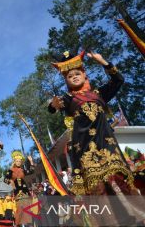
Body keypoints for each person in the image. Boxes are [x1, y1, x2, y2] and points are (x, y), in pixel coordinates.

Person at [48, 50, 145, 224]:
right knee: (97, 186)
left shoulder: (99, 94)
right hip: (85, 149)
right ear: (66, 80)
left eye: (78, 74)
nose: (75, 77)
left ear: (85, 75)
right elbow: (54, 106)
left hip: (107, 144)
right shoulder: (69, 98)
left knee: (118, 179)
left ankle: (137, 218)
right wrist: (53, 105)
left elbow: (118, 80)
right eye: (70, 76)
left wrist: (102, 61)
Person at [4, 150, 34, 226]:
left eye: (20, 161)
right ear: (14, 161)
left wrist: (31, 161)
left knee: (28, 210)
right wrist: (11, 182)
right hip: (18, 192)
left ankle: (28, 225)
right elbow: (5, 180)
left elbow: (31, 171)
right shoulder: (11, 170)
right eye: (17, 161)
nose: (18, 162)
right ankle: (18, 224)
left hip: (25, 192)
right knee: (20, 210)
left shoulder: (22, 170)